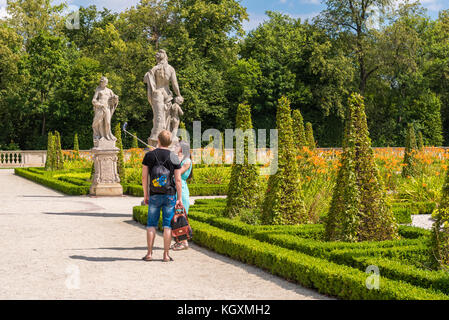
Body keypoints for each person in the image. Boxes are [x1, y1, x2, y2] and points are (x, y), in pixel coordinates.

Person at [141, 130, 183, 262]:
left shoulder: (149, 155)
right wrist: (180, 198)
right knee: (167, 226)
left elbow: (144, 177)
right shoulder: (174, 157)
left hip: (154, 194)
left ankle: (149, 254)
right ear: (170, 142)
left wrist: (145, 194)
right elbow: (178, 180)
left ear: (158, 140)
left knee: (151, 224)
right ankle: (165, 255)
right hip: (169, 194)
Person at [171, 140, 193, 251]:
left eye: (177, 145)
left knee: (180, 217)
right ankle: (179, 241)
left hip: (181, 191)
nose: (175, 146)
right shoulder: (180, 159)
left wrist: (177, 160)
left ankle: (184, 243)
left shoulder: (187, 161)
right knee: (175, 217)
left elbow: (178, 173)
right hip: (176, 189)